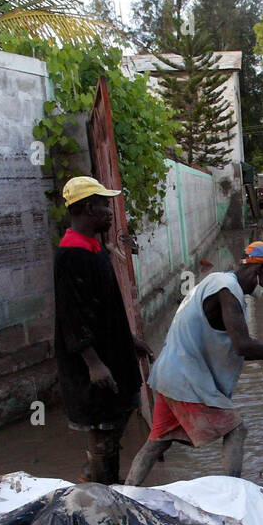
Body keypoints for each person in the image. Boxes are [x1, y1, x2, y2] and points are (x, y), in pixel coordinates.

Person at [125, 242, 263, 485]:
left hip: (170, 374)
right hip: (186, 379)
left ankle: (128, 492)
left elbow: (239, 348)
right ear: (258, 269)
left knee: (156, 444)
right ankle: (234, 494)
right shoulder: (227, 289)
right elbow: (242, 346)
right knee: (236, 430)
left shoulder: (218, 283)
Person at [54, 176, 153, 485]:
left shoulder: (94, 249)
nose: (110, 212)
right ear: (86, 208)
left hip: (112, 350)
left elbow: (106, 308)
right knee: (102, 427)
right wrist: (93, 363)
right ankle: (102, 488)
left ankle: (97, 477)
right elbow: (72, 315)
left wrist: (130, 340)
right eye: (104, 205)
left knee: (120, 413)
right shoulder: (71, 255)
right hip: (94, 359)